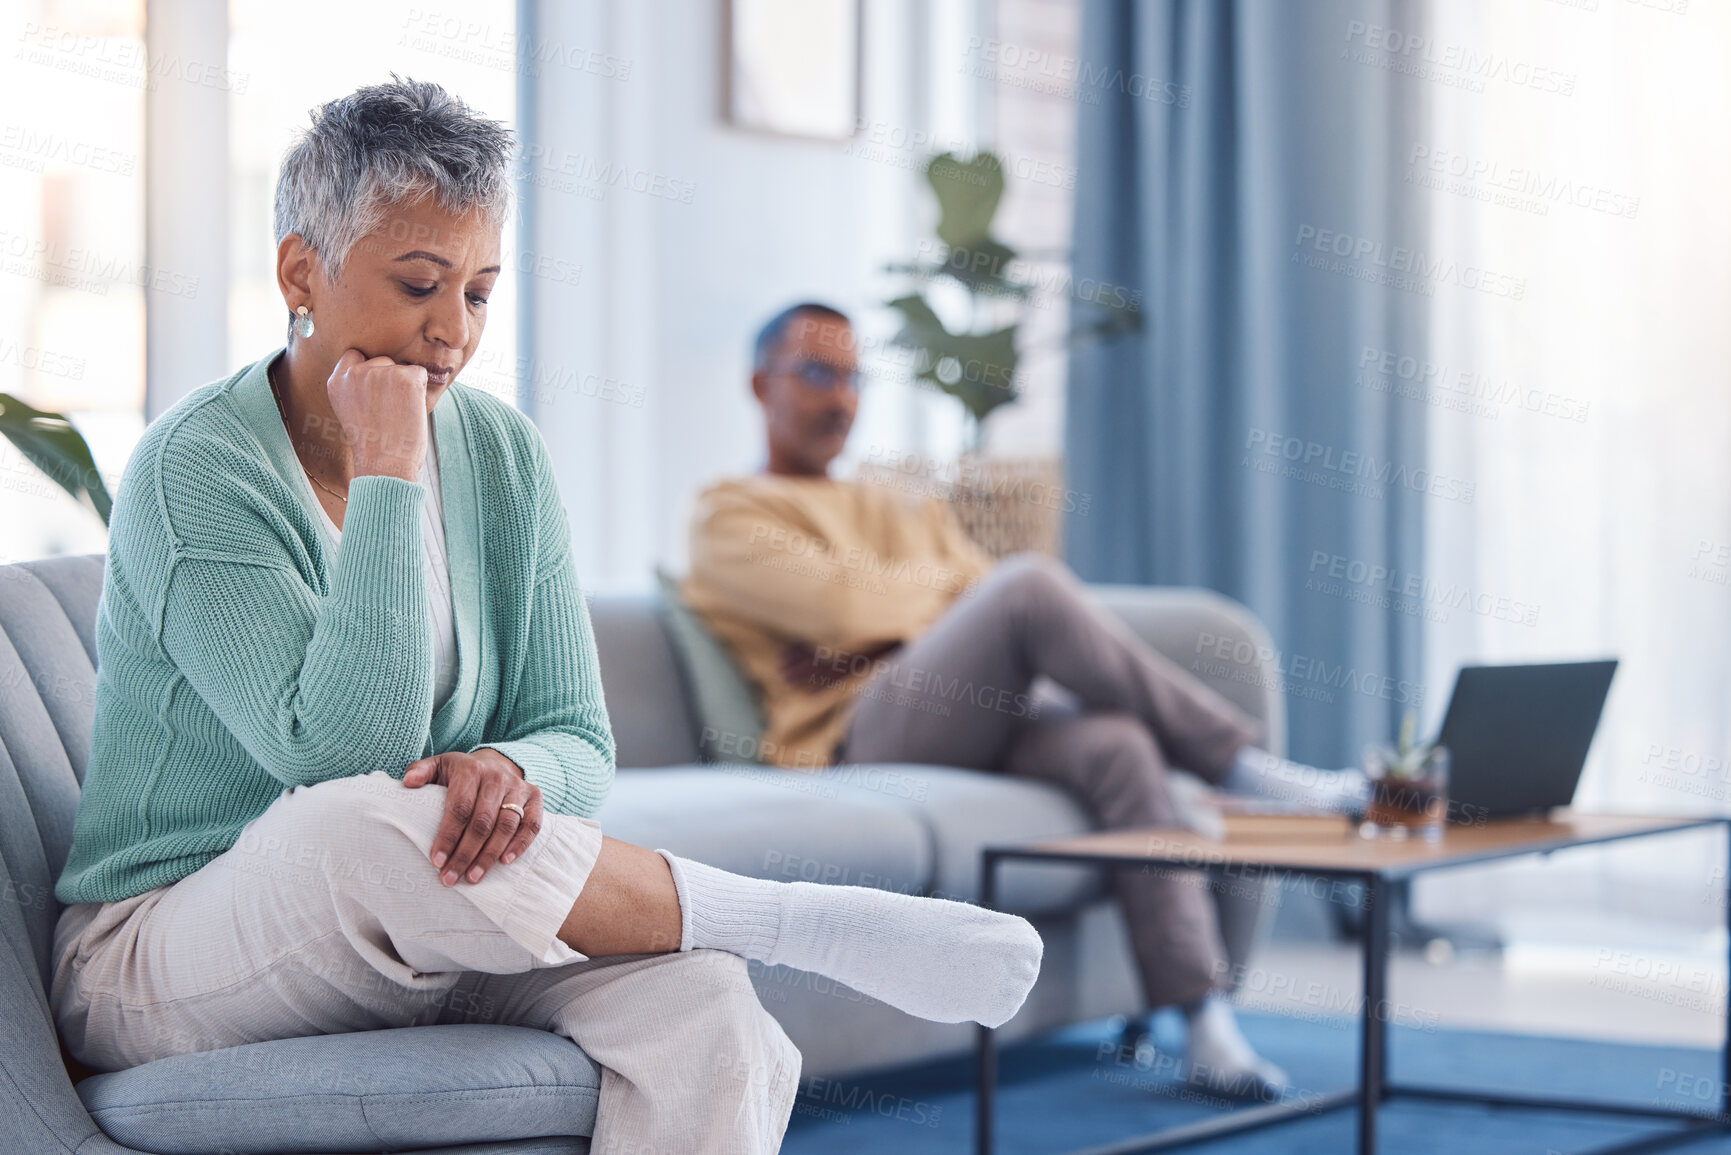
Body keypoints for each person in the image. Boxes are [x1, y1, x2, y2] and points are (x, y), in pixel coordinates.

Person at [49, 81, 1042, 1155]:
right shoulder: (194, 466)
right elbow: (340, 755)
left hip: (428, 913)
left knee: (706, 1008)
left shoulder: (504, 455)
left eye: (478, 293)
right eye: (419, 284)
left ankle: (738, 942)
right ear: (302, 272)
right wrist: (387, 470)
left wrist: (513, 775)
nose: (450, 335)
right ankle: (785, 918)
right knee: (355, 818)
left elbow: (578, 737)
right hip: (165, 952)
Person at [683, 302, 1368, 1097]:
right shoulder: (728, 513)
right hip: (864, 733)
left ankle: (1205, 1020)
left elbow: (909, 603)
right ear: (759, 382)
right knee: (1031, 587)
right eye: (815, 373)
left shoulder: (894, 502)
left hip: (972, 707)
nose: (839, 397)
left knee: (1118, 744)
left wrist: (885, 621)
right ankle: (1241, 765)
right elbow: (849, 608)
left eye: (852, 376)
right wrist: (918, 613)